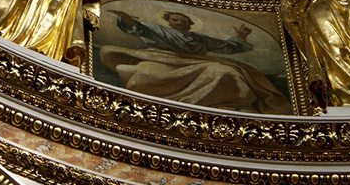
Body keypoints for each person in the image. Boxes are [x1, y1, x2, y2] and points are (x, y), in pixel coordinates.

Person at [99, 9, 292, 114]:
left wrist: (241, 37)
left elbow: (227, 47)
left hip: (195, 62)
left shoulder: (200, 38)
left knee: (227, 72)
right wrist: (127, 20)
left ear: (190, 24)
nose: (180, 23)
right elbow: (139, 28)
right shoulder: (160, 30)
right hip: (163, 59)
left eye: (184, 21)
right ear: (169, 22)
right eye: (176, 20)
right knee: (144, 76)